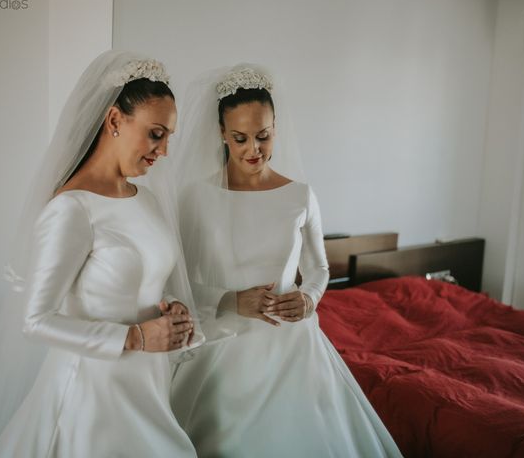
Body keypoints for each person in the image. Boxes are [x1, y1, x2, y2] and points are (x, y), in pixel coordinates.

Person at [0, 50, 203, 458]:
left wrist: (169, 308)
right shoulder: (71, 209)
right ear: (115, 120)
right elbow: (36, 320)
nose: (165, 150)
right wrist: (136, 337)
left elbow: (146, 281)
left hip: (147, 382)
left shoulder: (147, 200)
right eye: (156, 134)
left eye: (170, 136)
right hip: (92, 393)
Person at [169, 65, 403, 458]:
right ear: (221, 134)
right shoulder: (196, 197)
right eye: (240, 138)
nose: (253, 150)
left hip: (291, 342)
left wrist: (309, 298)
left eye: (263, 136)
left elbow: (319, 269)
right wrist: (230, 299)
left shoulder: (300, 196)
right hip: (223, 344)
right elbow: (179, 281)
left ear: (276, 127)